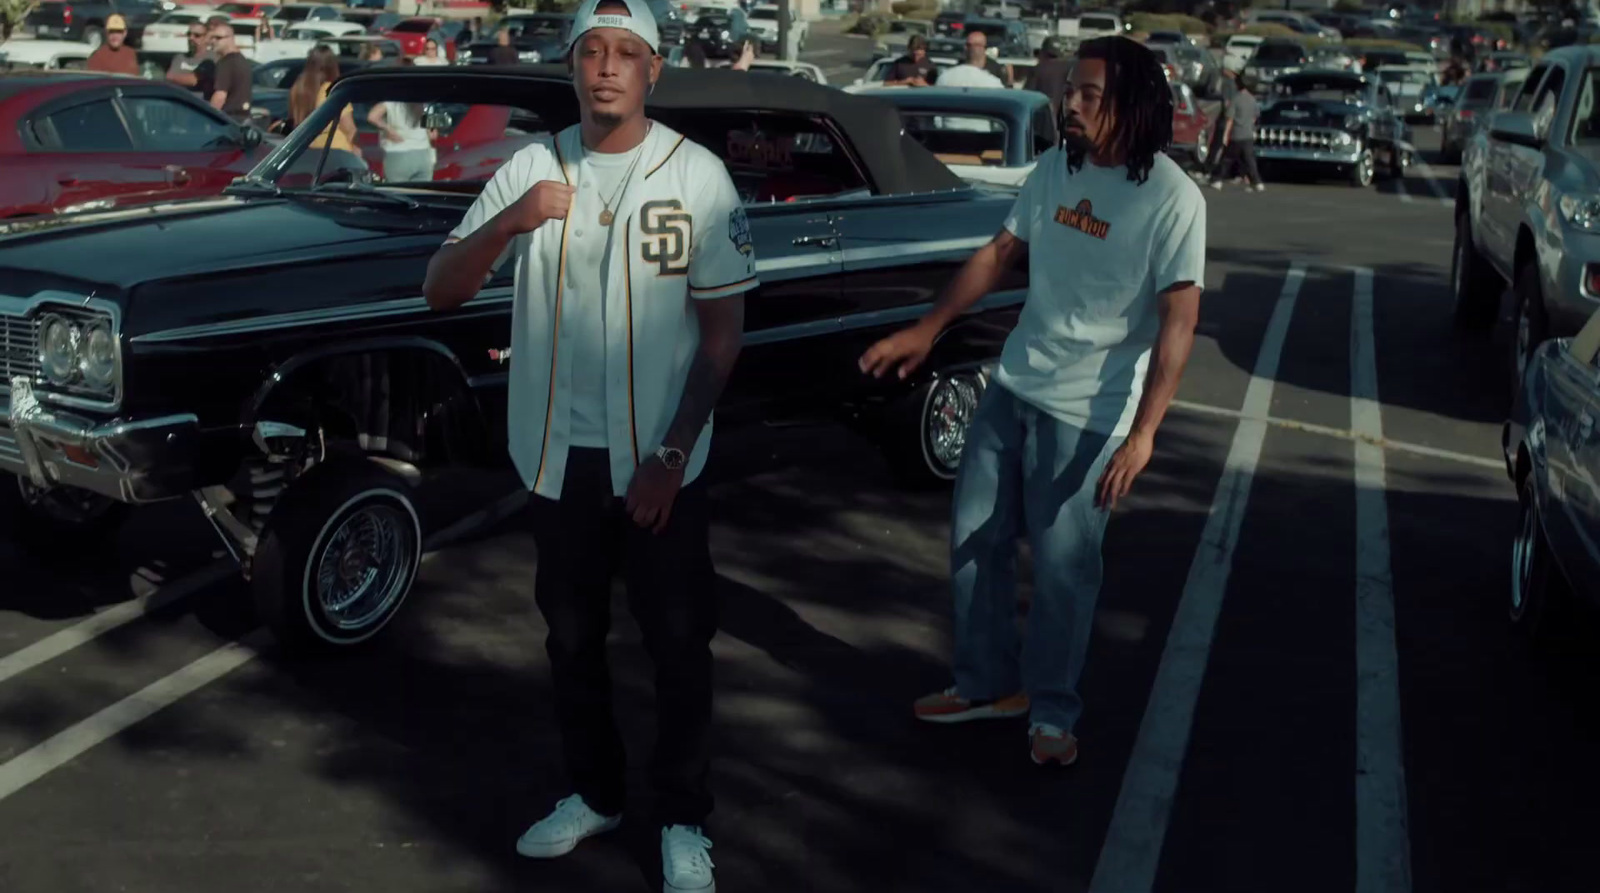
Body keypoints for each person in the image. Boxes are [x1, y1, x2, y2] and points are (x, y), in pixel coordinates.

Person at [420, 0, 756, 889]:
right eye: (591, 52)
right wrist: (510, 222)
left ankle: (684, 815)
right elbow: (440, 291)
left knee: (679, 644)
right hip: (556, 456)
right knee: (571, 640)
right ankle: (595, 792)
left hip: (661, 465)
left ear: (653, 70)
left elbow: (723, 333)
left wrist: (673, 454)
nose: (606, 67)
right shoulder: (531, 168)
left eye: (625, 54)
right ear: (572, 66)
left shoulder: (700, 177)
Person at [860, 35, 1206, 767]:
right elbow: (998, 254)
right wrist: (927, 328)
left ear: (1132, 105)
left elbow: (1180, 321)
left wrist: (1144, 434)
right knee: (975, 543)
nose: (1069, 105)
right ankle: (986, 684)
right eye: (1070, 91)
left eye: (1088, 95)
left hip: (1090, 415)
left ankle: (1050, 710)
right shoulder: (1057, 166)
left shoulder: (1173, 197)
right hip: (1013, 386)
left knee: (1061, 574)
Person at [367, 63, 437, 183]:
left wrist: (387, 128)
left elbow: (372, 116)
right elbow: (433, 135)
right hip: (422, 155)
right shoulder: (423, 102)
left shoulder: (391, 99)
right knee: (422, 196)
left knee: (398, 194)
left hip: (397, 155)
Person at [289, 45, 358, 152]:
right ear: (332, 65)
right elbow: (349, 129)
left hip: (305, 151)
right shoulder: (333, 91)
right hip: (336, 152)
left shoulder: (298, 89)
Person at [1208, 72, 1262, 192]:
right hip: (1247, 134)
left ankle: (1217, 180)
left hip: (1236, 135)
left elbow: (1230, 119)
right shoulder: (1252, 100)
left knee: (1226, 159)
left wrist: (1225, 135)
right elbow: (1255, 117)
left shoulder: (1236, 99)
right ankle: (1257, 182)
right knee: (1249, 160)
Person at [206, 22, 254, 122]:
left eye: (218, 38)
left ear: (231, 38)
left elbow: (220, 96)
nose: (213, 41)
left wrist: (207, 119)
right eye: (212, 38)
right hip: (243, 118)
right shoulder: (241, 59)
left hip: (228, 118)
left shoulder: (227, 63)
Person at [937, 29, 1005, 88]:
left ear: (983, 47)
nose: (965, 48)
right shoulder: (954, 71)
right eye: (966, 45)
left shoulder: (996, 70)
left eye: (969, 45)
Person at [166, 19, 217, 97]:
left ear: (207, 38)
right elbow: (169, 77)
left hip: (199, 103)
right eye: (189, 34)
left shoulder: (212, 58)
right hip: (178, 100)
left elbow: (193, 80)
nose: (191, 38)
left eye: (197, 35)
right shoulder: (180, 57)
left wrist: (175, 78)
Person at [1023, 36, 1071, 115]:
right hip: (1064, 117)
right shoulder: (1070, 70)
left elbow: (1027, 97)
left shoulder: (1038, 70)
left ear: (1042, 53)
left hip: (1043, 118)